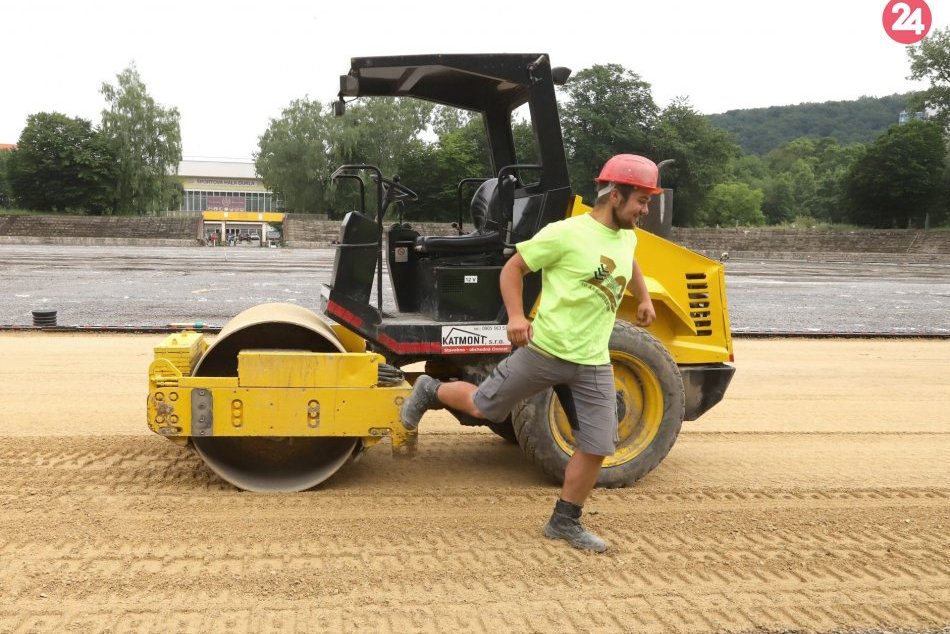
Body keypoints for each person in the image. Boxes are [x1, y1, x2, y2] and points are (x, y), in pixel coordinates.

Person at [401, 154, 660, 553]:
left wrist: (643, 298)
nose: (645, 209)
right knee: (485, 406)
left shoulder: (627, 233)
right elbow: (513, 268)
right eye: (641, 200)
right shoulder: (565, 234)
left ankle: (564, 520)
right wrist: (517, 316)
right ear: (615, 195)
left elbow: (630, 259)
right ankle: (429, 390)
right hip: (546, 350)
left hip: (593, 360)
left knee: (598, 443)